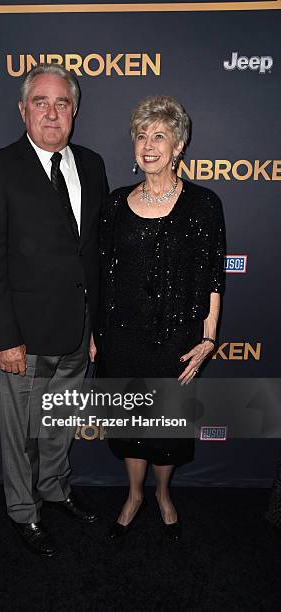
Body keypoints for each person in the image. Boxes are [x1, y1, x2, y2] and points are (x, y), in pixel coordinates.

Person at [0, 63, 108, 557]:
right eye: (42, 102)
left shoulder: (91, 164)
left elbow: (91, 254)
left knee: (59, 425)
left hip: (77, 332)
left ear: (75, 110)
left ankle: (54, 489)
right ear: (23, 110)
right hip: (23, 338)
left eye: (63, 103)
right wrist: (5, 338)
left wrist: (96, 325)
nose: (53, 112)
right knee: (20, 437)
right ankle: (23, 513)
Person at [97, 95, 225, 541]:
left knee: (167, 432)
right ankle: (134, 494)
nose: (148, 144)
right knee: (132, 430)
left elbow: (213, 277)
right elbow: (103, 277)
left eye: (159, 136)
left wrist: (209, 339)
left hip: (176, 341)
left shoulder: (205, 204)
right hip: (123, 340)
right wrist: (97, 336)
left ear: (178, 145)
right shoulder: (114, 205)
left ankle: (163, 493)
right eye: (140, 135)